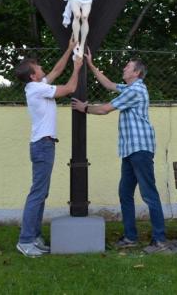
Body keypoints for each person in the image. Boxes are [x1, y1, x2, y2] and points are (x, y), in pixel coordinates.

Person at [70, 50, 169, 253]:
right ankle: (130, 237)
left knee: (149, 194)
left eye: (128, 67)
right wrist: (91, 65)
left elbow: (106, 109)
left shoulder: (136, 90)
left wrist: (84, 108)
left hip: (140, 149)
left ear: (136, 73)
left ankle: (159, 240)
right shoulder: (129, 88)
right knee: (125, 193)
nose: (124, 69)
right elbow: (109, 85)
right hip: (130, 150)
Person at [14, 40, 83, 258]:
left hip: (44, 145)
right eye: (38, 69)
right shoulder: (37, 89)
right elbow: (70, 88)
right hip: (43, 146)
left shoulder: (36, 86)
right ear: (33, 76)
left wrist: (70, 49)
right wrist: (78, 67)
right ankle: (25, 240)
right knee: (37, 193)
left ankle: (34, 237)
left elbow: (56, 70)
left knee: (40, 193)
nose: (43, 70)